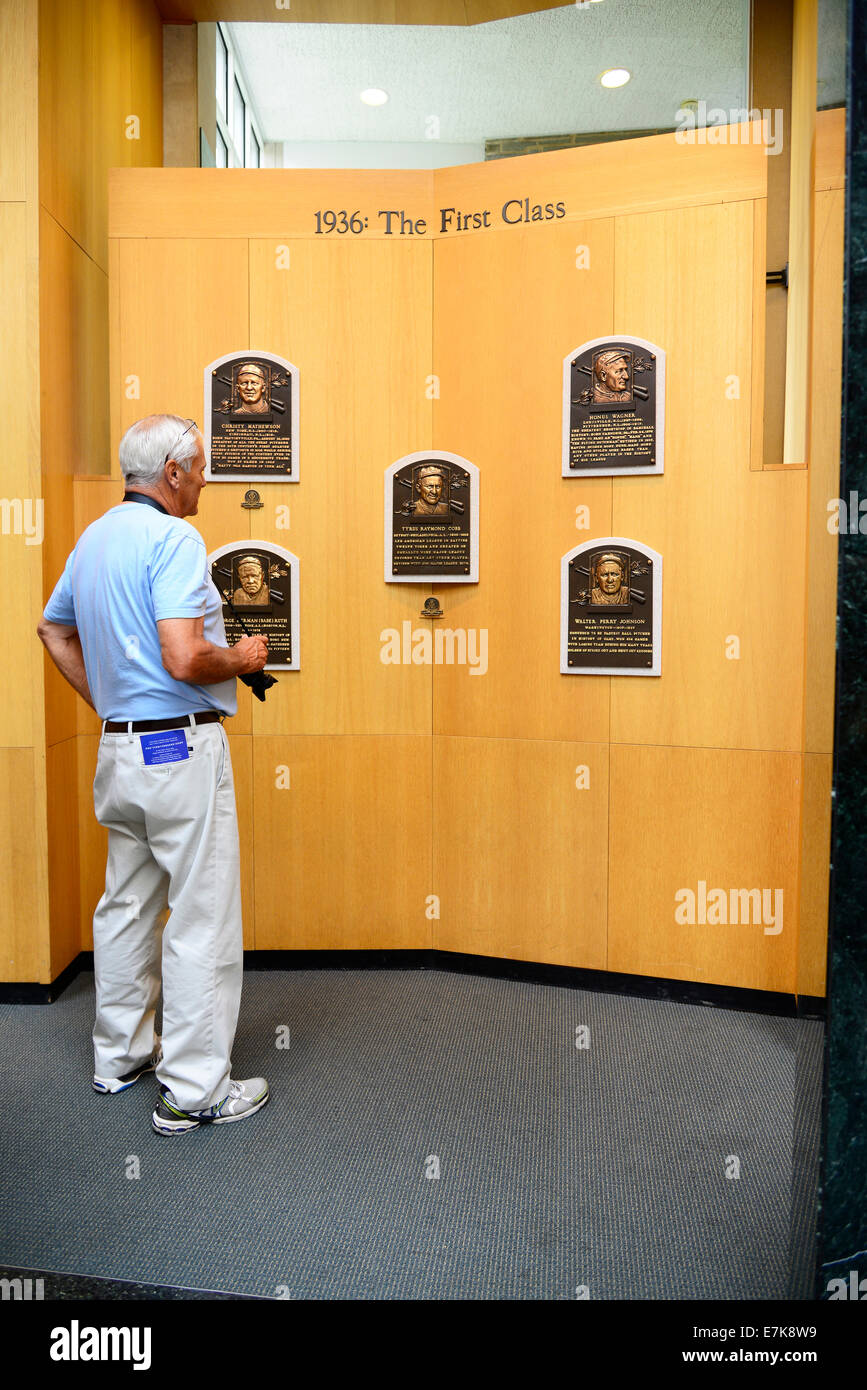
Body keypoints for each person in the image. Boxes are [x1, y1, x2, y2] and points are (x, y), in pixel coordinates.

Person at [37, 414, 271, 1137]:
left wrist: (111, 703)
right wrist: (244, 656)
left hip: (120, 753)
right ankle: (196, 1092)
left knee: (127, 905)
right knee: (200, 916)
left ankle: (121, 1056)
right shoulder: (175, 537)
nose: (204, 481)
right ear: (172, 472)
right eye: (198, 468)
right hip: (177, 752)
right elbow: (183, 657)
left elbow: (53, 629)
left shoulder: (96, 536)